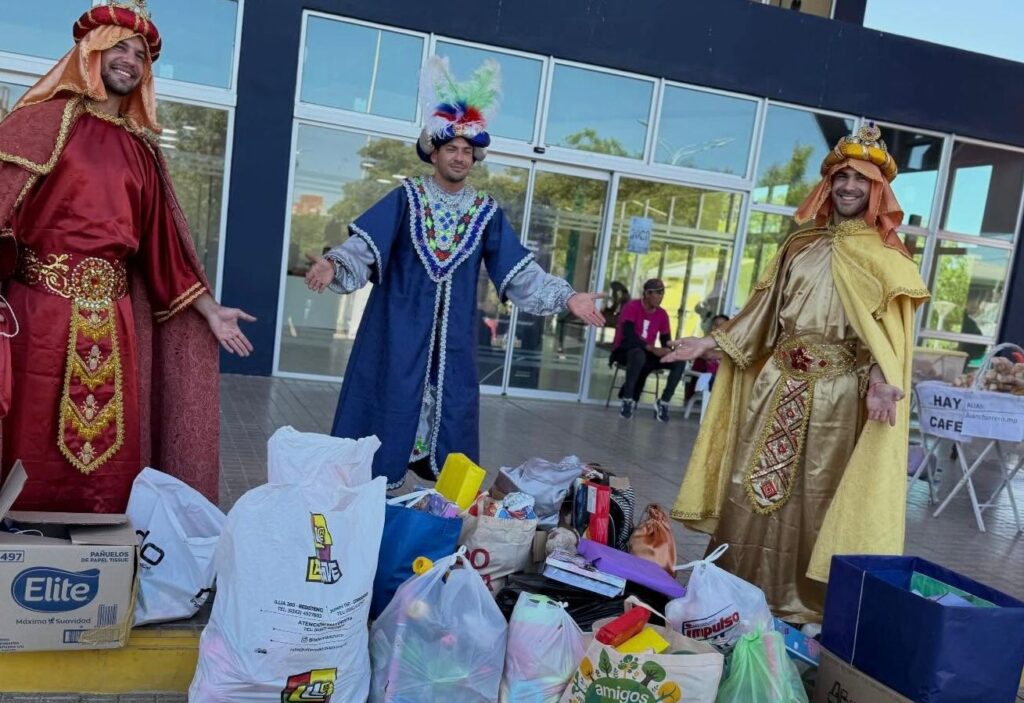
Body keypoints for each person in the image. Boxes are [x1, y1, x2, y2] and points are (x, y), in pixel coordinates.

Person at [664, 123, 929, 623]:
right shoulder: (798, 245)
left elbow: (885, 339)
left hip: (838, 398)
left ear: (878, 190)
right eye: (841, 177)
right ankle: (735, 592)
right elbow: (759, 315)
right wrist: (706, 343)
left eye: (861, 179)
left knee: (817, 498)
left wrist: (880, 381)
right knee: (748, 490)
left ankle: (804, 605)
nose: (848, 186)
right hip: (775, 387)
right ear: (828, 184)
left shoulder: (887, 260)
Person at [0, 0, 254, 513]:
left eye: (140, 55)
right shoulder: (41, 123)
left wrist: (209, 310)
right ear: (91, 52)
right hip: (39, 314)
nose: (130, 61)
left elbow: (165, 250)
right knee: (28, 432)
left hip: (113, 324)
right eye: (120, 47)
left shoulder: (142, 150)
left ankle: (101, 539)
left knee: (108, 452)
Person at [305, 57, 604, 488]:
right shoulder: (406, 197)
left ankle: (439, 519)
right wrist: (333, 264)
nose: (460, 157)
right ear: (435, 152)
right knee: (384, 420)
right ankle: (368, 510)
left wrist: (568, 297)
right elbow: (363, 248)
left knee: (454, 432)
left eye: (467, 151)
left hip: (454, 347)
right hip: (396, 336)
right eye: (452, 149)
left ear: (475, 158)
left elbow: (519, 272)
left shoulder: (486, 212)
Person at [610, 278, 687, 422]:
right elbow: (628, 335)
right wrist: (651, 348)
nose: (660, 297)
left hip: (647, 353)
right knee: (638, 355)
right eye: (657, 293)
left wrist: (669, 349)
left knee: (679, 361)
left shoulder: (662, 314)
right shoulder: (632, 307)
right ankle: (627, 400)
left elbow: (665, 340)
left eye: (662, 293)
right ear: (647, 293)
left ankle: (663, 402)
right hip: (625, 350)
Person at [682, 314, 729, 402]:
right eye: (716, 325)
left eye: (722, 326)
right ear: (711, 327)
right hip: (702, 379)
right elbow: (708, 355)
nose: (718, 328)